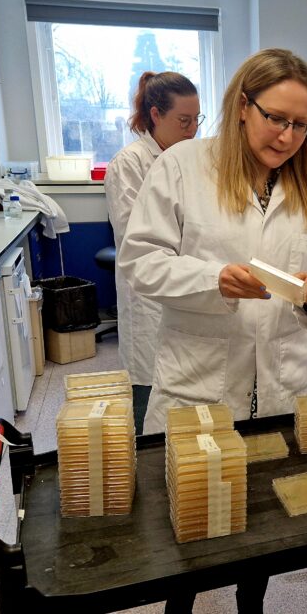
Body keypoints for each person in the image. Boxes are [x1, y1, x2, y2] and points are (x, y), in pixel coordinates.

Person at [118, 48, 307, 614]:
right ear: (242, 105)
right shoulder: (183, 166)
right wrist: (213, 279)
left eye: (303, 125)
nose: (288, 136)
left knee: (265, 511)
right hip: (199, 375)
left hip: (278, 375)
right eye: (277, 118)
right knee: (188, 505)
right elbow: (140, 261)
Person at [105, 71, 201, 434]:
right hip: (148, 299)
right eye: (183, 120)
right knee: (148, 390)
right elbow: (136, 242)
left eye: (196, 120)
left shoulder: (191, 159)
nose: (192, 130)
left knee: (184, 394)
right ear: (156, 115)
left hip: (187, 290)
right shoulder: (128, 164)